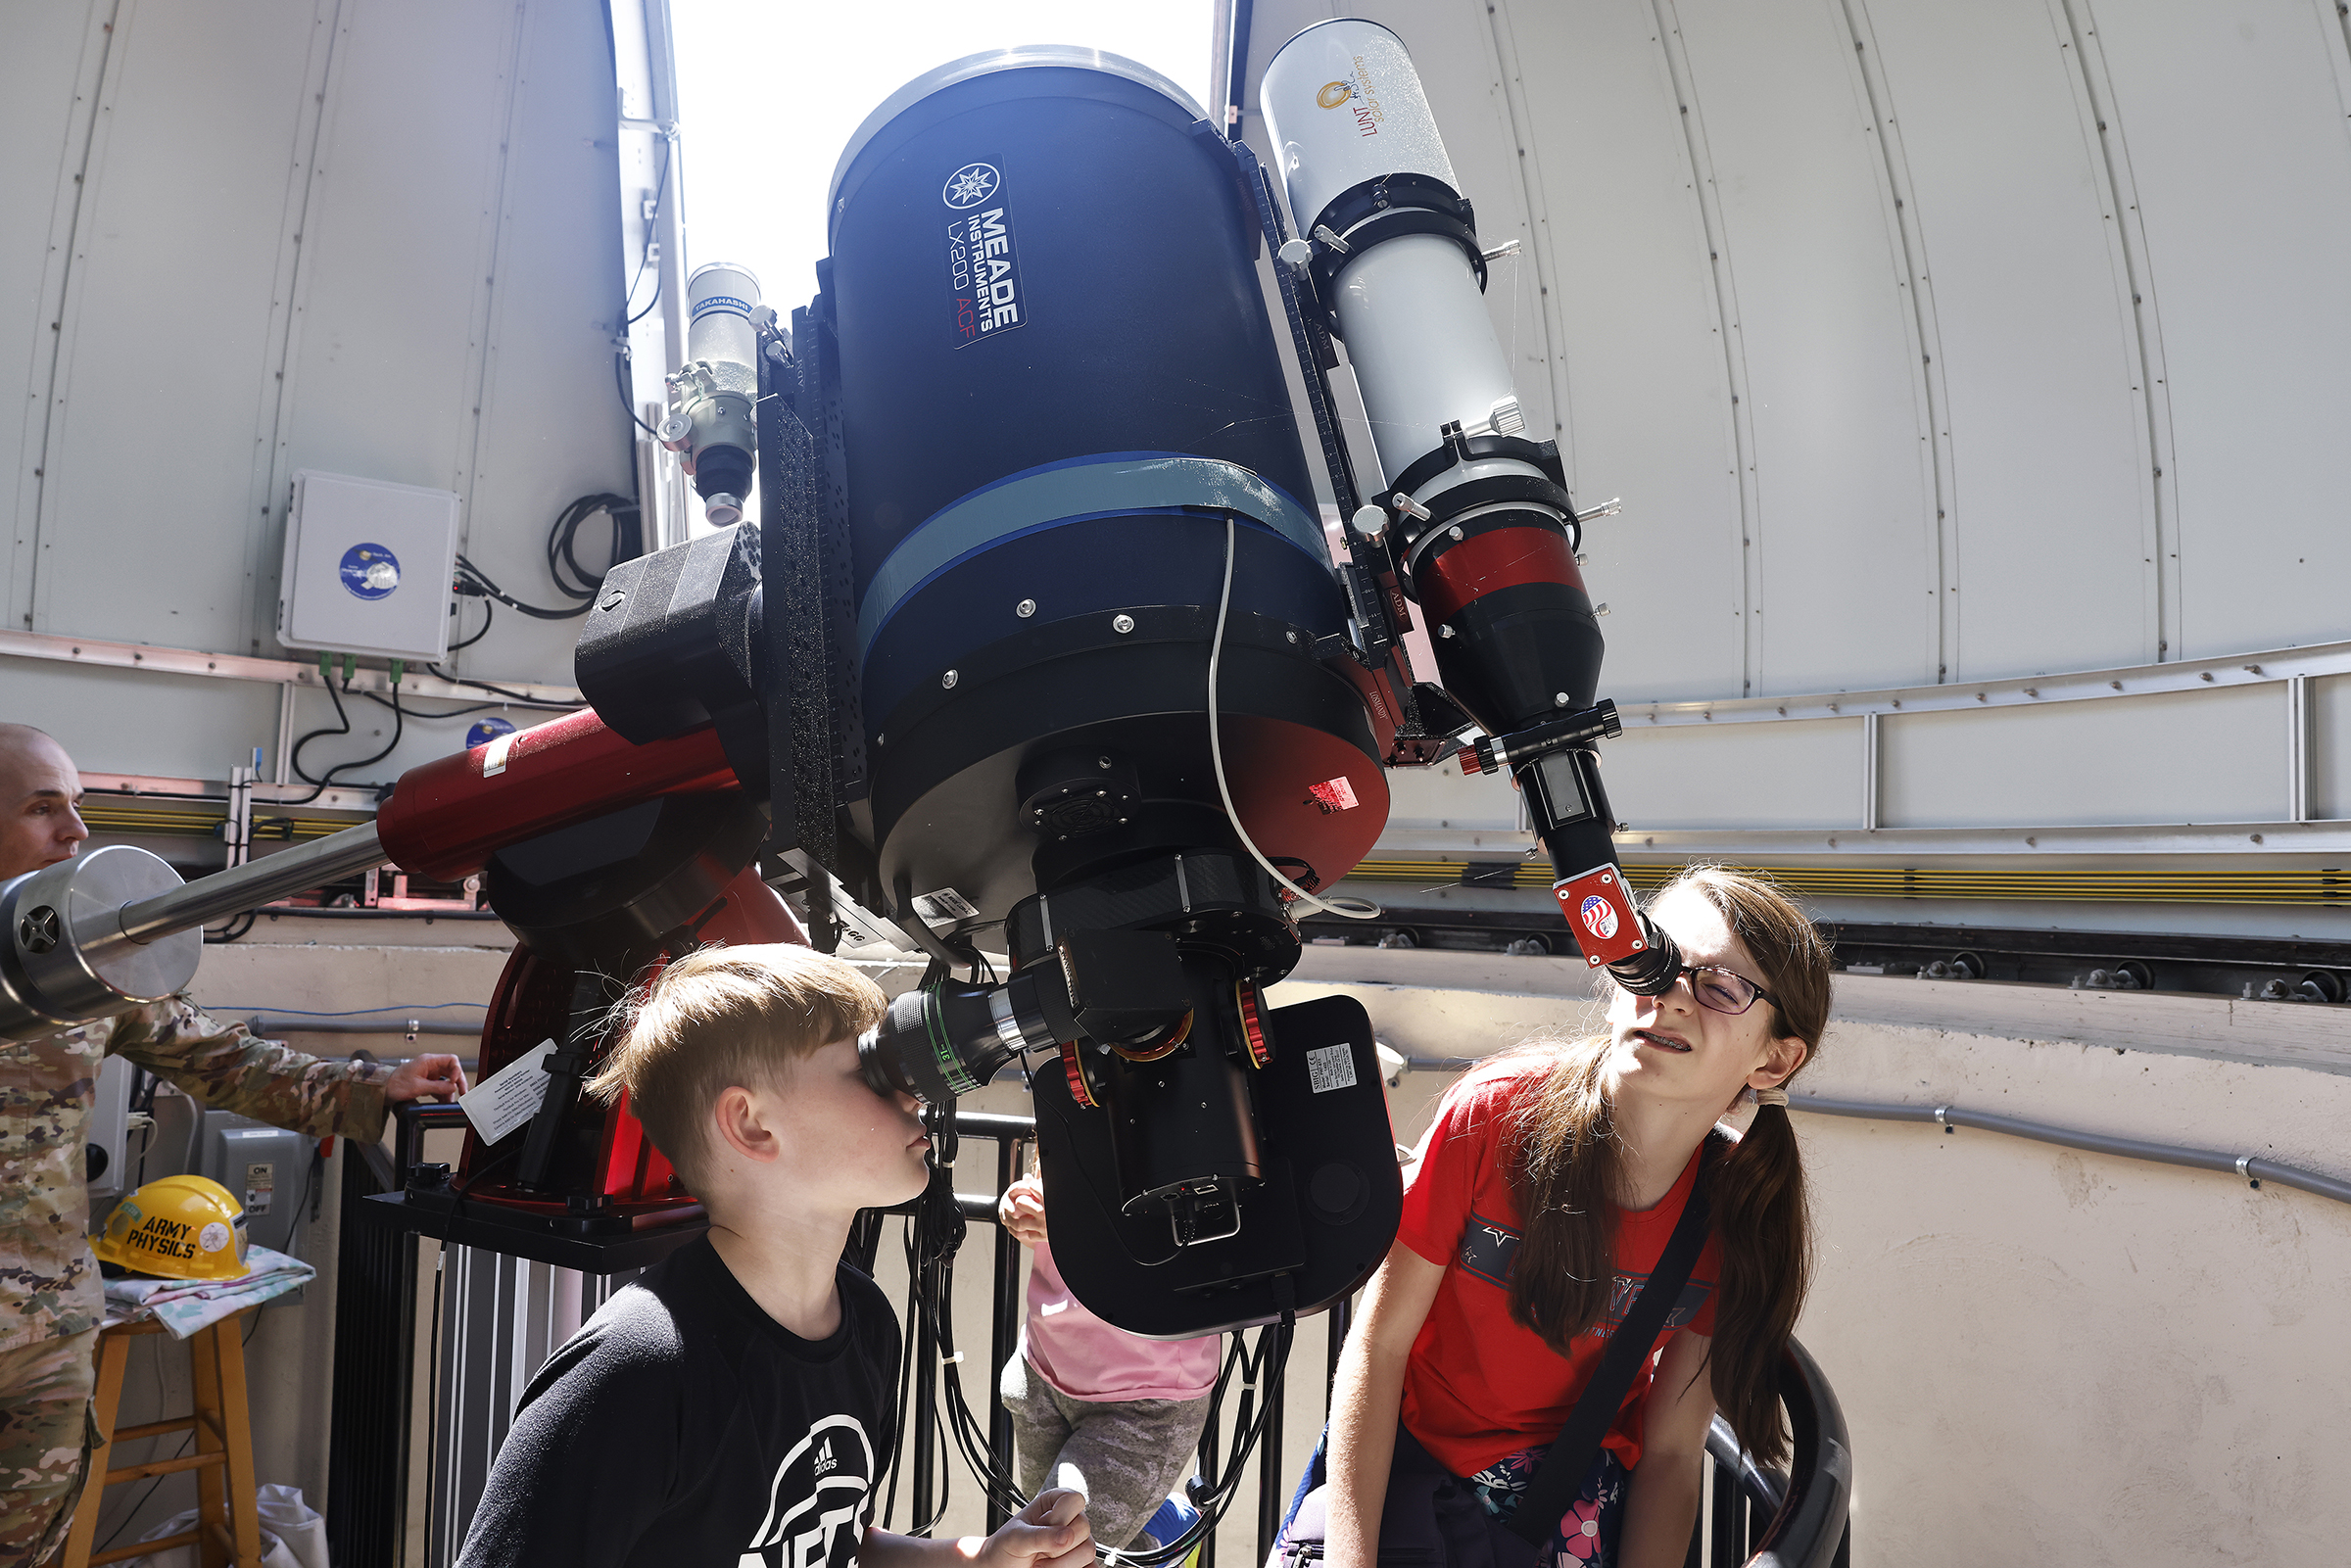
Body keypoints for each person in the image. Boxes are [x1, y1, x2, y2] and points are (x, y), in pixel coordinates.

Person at [456, 943, 1096, 1568]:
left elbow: (826, 1545)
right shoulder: (634, 1372)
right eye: (874, 1067)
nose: (914, 1091)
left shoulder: (867, 1323)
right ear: (754, 1125)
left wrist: (979, 1558)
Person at [0, 723, 469, 1563]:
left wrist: (373, 1088)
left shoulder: (85, 968)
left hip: (44, 1332)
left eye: (77, 806)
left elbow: (223, 1062)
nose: (76, 832)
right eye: (44, 808)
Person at [1296, 867, 1830, 1568]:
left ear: (1776, 1059)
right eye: (1650, 957)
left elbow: (1672, 1449)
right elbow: (1378, 1346)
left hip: (1565, 1507)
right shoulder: (1493, 1115)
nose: (1668, 994)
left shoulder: (1733, 1212)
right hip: (1406, 1481)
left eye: (1720, 986)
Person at [998, 1164, 1219, 1553]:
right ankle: (1155, 1535)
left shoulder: (1179, 1107)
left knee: (1046, 1555)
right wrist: (1021, 1208)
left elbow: (1205, 1222)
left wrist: (1078, 1224)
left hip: (1147, 1396)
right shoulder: (1062, 1105)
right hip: (1042, 1368)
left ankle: (1163, 1536)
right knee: (1055, 1550)